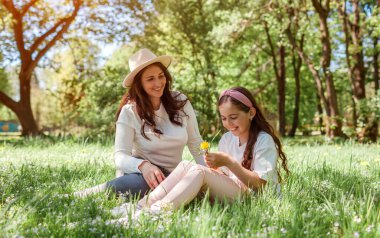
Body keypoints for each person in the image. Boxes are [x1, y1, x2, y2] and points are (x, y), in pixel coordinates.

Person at [115, 86, 289, 216]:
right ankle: (140, 206)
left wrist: (228, 162)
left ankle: (157, 212)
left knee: (198, 171)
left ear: (251, 113)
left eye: (234, 117)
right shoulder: (228, 138)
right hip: (234, 190)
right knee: (185, 165)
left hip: (254, 197)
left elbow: (259, 184)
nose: (228, 123)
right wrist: (214, 168)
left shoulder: (263, 140)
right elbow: (224, 177)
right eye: (224, 118)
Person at [74, 48, 205, 198]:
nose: (158, 83)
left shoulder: (180, 102)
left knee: (196, 184)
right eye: (150, 79)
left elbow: (195, 143)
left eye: (161, 76)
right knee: (138, 185)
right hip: (141, 175)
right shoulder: (129, 112)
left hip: (174, 175)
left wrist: (210, 172)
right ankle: (80, 195)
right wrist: (143, 166)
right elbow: (120, 157)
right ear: (139, 84)